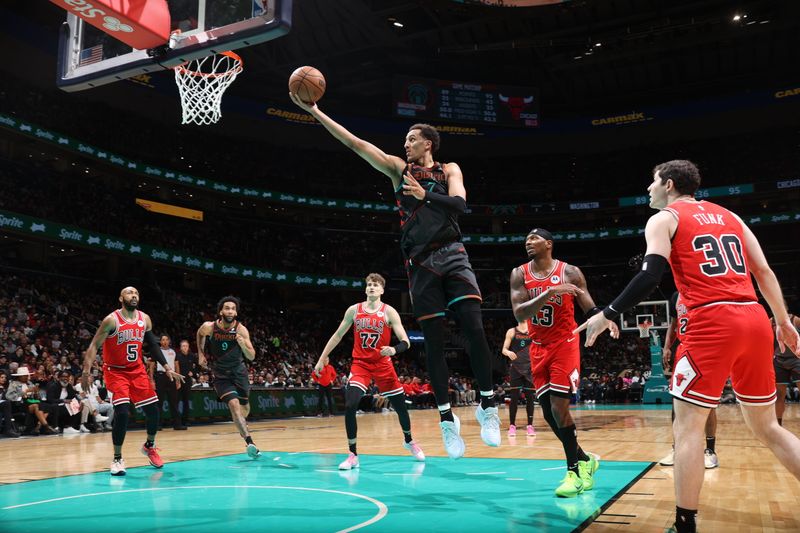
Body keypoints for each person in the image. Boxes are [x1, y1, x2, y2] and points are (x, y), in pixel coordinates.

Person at [576, 160, 800, 533]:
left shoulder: (664, 218)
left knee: (688, 429)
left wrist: (608, 312)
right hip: (754, 318)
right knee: (768, 428)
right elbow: (763, 272)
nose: (648, 190)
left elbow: (650, 275)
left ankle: (685, 523)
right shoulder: (731, 216)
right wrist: (781, 320)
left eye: (651, 182)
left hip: (711, 323)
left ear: (668, 183)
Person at [290, 94, 500, 459]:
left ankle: (487, 404)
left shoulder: (449, 169)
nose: (405, 144)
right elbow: (355, 143)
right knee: (434, 343)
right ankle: (447, 418)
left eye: (411, 138)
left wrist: (425, 196)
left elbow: (462, 204)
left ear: (428, 143)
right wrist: (315, 111)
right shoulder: (397, 170)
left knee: (474, 327)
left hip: (453, 254)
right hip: (420, 265)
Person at [510, 228, 616, 497]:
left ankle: (574, 473)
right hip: (537, 347)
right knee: (548, 414)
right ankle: (584, 459)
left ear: (549, 243)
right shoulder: (519, 273)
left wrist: (605, 319)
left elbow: (589, 307)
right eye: (526, 239)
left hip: (565, 344)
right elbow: (520, 312)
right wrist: (550, 292)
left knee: (558, 408)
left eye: (534, 239)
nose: (528, 242)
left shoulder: (570, 272)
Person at [314, 273, 425, 470]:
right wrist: (322, 358)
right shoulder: (354, 310)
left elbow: (405, 341)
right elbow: (338, 335)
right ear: (365, 289)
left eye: (376, 285)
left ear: (382, 290)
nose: (372, 287)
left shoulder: (389, 312)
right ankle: (352, 454)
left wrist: (393, 349)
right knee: (350, 405)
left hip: (383, 365)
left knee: (400, 407)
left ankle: (408, 440)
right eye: (369, 285)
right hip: (361, 365)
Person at [81, 287, 184, 476]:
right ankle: (117, 458)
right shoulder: (111, 320)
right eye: (129, 293)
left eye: (136, 292)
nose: (134, 295)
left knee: (153, 411)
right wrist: (86, 372)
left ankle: (149, 446)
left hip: (137, 371)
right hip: (116, 372)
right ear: (121, 298)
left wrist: (167, 367)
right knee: (121, 413)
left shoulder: (144, 319)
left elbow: (152, 345)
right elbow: (94, 345)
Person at [659, 291, 719, 469]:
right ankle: (677, 447)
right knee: (676, 402)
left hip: (707, 349)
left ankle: (710, 451)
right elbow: (674, 323)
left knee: (708, 403)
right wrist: (666, 347)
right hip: (683, 350)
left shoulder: (705, 287)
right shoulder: (675, 296)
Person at [196, 296, 260, 458]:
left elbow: (251, 356)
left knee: (244, 407)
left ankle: (242, 425)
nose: (230, 311)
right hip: (221, 375)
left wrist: (242, 345)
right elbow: (199, 334)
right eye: (227, 308)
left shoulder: (241, 330)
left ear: (236, 313)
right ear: (221, 311)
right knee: (234, 405)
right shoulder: (209, 327)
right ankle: (250, 442)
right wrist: (201, 353)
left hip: (239, 374)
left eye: (233, 308)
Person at [501, 321, 536, 437]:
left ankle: (530, 426)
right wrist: (508, 352)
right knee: (514, 398)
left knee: (530, 398)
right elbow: (504, 349)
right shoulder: (511, 331)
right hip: (516, 368)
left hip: (530, 367)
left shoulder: (533, 330)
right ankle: (512, 425)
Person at [149, 335, 185, 431]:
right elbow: (152, 366)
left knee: (174, 402)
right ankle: (158, 425)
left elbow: (176, 366)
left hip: (172, 377)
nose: (165, 341)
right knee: (159, 402)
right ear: (160, 342)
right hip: (160, 377)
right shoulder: (157, 351)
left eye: (166, 340)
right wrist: (151, 380)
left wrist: (178, 380)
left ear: (169, 341)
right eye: (163, 340)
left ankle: (177, 425)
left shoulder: (173, 352)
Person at [772, 311, 800, 426]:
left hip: (796, 359)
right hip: (779, 360)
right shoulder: (770, 321)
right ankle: (778, 425)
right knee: (779, 395)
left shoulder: (796, 320)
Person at [175, 339, 197, 427]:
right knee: (176, 401)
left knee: (186, 401)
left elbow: (198, 366)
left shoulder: (192, 356)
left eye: (186, 346)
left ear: (188, 347)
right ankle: (177, 421)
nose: (185, 347)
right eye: (183, 346)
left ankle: (185, 420)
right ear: (180, 347)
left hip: (187, 381)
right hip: (178, 380)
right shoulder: (177, 356)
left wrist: (193, 372)